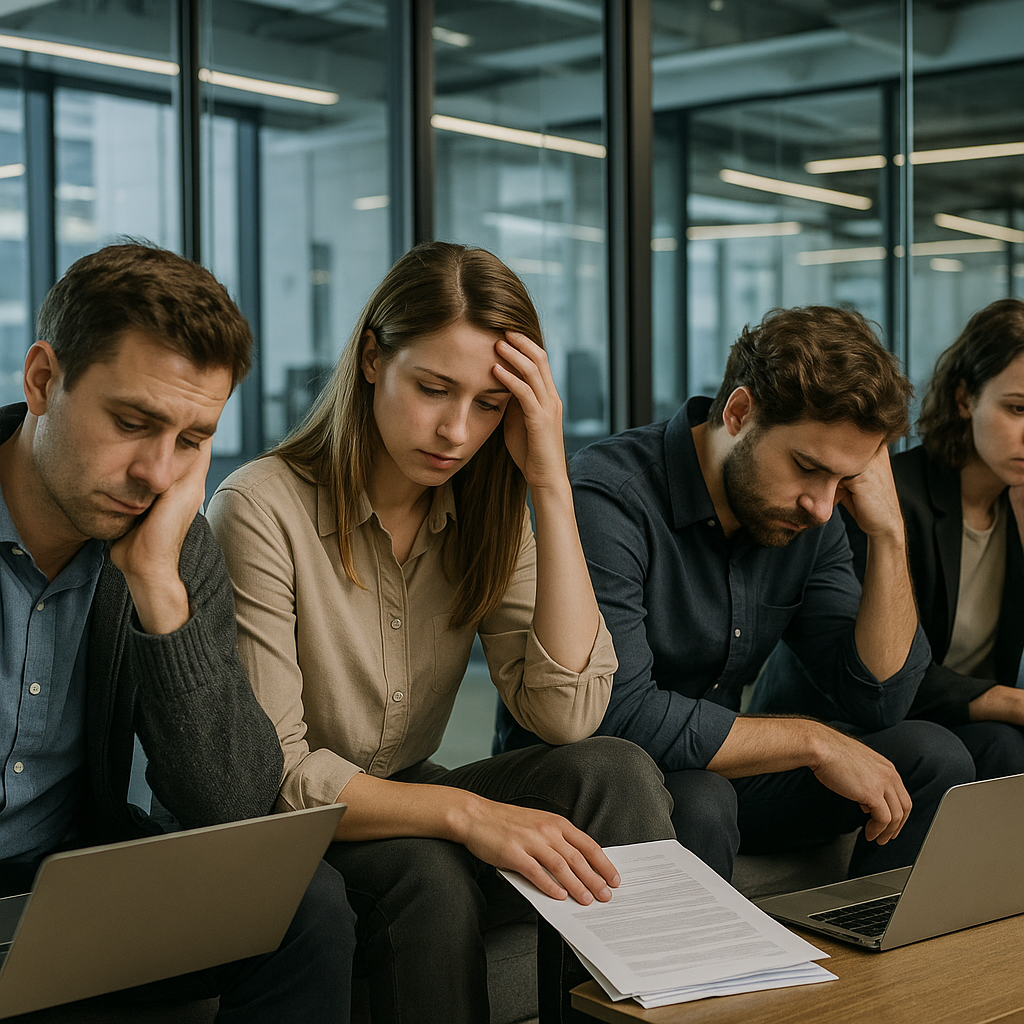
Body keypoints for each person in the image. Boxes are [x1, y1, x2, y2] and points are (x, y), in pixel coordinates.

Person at [206, 240, 674, 1024]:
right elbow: (276, 776)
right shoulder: (259, 508)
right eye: (432, 388)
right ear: (369, 360)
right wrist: (467, 814)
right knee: (428, 870)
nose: (456, 431)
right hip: (299, 827)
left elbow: (566, 713)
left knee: (615, 771)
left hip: (406, 791)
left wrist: (549, 484)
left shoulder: (488, 511)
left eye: (489, 405)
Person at [0, 243, 355, 1022]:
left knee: (304, 904)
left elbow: (235, 806)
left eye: (192, 441)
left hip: (60, 887)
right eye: (133, 422)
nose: (158, 474)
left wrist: (158, 588)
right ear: (42, 380)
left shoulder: (169, 541)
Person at [498, 305, 976, 882]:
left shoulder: (808, 520)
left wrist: (888, 535)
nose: (823, 506)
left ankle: (874, 964)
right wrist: (812, 742)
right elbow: (613, 712)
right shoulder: (610, 496)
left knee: (931, 756)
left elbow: (879, 699)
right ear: (740, 413)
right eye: (807, 467)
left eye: (843, 480)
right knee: (700, 800)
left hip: (710, 767)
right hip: (595, 780)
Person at [824, 299, 1024, 777]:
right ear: (964, 399)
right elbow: (876, 673)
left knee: (1006, 744)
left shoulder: (1015, 504)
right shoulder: (891, 500)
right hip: (857, 718)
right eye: (1017, 409)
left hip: (951, 722)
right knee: (1005, 742)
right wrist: (1010, 701)